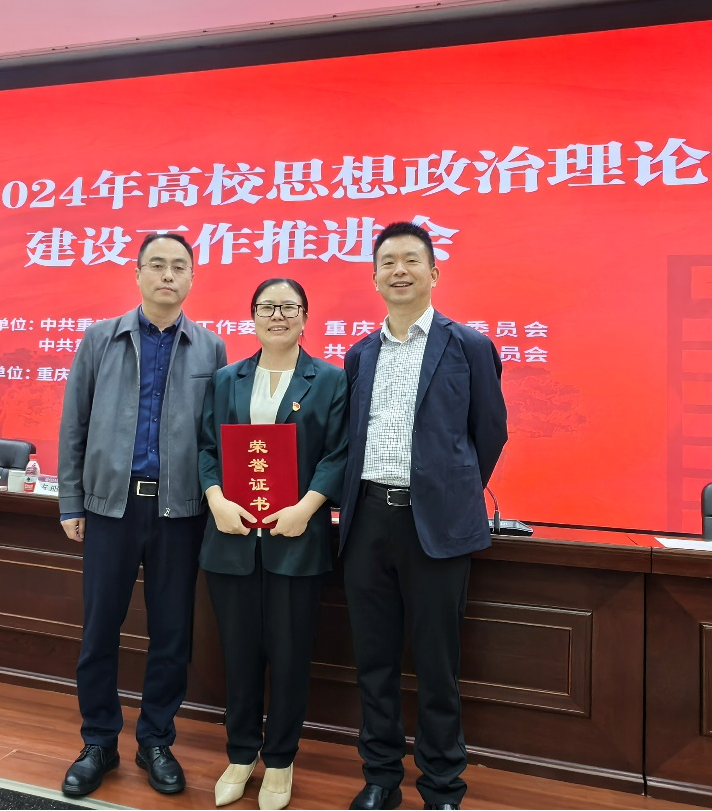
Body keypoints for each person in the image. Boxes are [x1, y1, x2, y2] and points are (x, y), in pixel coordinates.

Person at [338, 222, 508, 811]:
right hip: (367, 524)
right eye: (388, 262)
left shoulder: (470, 347)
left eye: (411, 260)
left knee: (437, 667)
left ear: (433, 273)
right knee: (374, 662)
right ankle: (381, 777)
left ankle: (442, 787)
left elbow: (489, 433)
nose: (399, 271)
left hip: (434, 527)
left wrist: (449, 493)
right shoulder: (359, 355)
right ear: (375, 278)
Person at [57, 233, 227, 798]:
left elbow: (215, 436)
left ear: (192, 278)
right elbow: (75, 424)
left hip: (180, 511)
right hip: (111, 506)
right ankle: (99, 741)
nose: (168, 275)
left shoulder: (210, 348)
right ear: (137, 274)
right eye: (157, 265)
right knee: (100, 629)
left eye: (179, 266)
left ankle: (156, 740)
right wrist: (71, 501)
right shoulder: (99, 339)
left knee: (172, 633)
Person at [197, 278, 348, 811]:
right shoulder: (226, 379)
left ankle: (280, 760)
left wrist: (306, 509)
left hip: (296, 540)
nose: (277, 316)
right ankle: (241, 755)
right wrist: (215, 498)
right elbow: (207, 447)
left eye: (288, 307)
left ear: (305, 316)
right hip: (232, 539)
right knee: (238, 656)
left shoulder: (329, 379)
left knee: (288, 656)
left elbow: (338, 453)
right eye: (267, 307)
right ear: (253, 316)